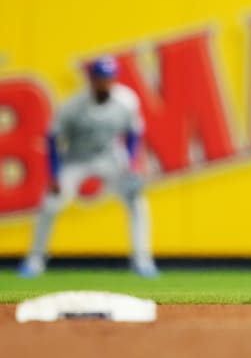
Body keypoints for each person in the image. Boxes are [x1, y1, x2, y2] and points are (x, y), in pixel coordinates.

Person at [18, 56, 158, 278]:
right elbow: (53, 139)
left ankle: (142, 261)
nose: (105, 83)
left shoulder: (127, 100)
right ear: (91, 79)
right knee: (50, 203)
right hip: (76, 159)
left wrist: (131, 164)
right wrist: (54, 175)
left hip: (111, 158)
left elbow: (134, 134)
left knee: (137, 202)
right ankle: (35, 260)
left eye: (109, 78)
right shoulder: (72, 106)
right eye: (100, 78)